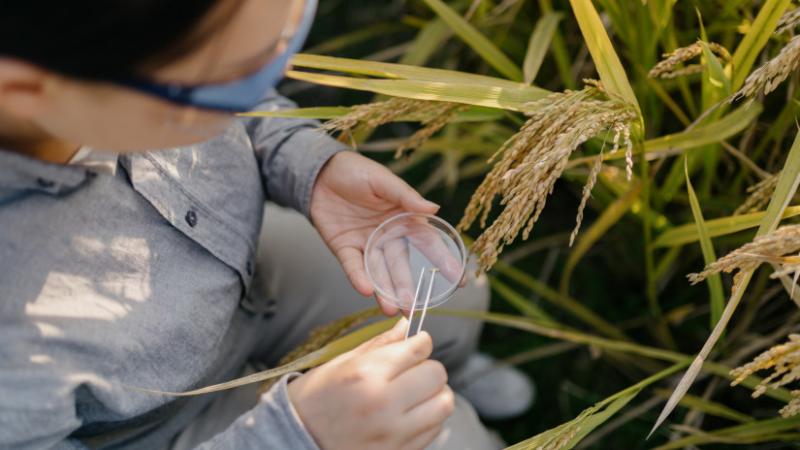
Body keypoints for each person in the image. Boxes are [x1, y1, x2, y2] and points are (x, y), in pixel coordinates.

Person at [0, 1, 534, 449]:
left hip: (255, 266)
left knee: (454, 294)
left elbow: (242, 90)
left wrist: (303, 163)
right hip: (170, 429)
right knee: (449, 437)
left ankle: (459, 373)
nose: (272, 69)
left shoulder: (118, 56)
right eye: (241, 74)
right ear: (29, 94)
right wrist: (293, 435)